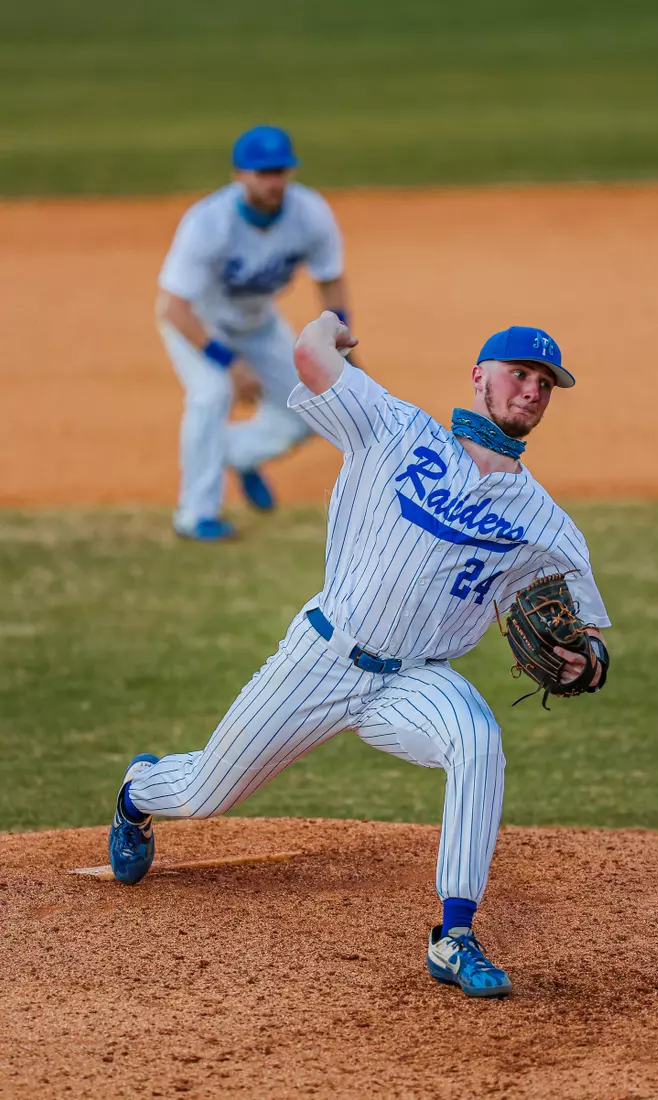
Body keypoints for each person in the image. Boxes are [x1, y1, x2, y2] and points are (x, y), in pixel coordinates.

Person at [110, 313, 611, 998]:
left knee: (477, 739)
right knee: (204, 794)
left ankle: (454, 936)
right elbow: (311, 356)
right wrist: (330, 327)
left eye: (544, 384)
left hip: (413, 682)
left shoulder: (543, 523)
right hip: (320, 658)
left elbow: (588, 634)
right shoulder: (396, 428)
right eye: (519, 375)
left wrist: (588, 663)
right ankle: (140, 790)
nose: (530, 391)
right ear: (479, 377)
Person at [157, 125, 352, 540]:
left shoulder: (310, 213)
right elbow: (175, 308)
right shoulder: (209, 223)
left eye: (280, 171)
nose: (273, 181)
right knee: (212, 393)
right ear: (238, 176)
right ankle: (194, 516)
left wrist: (338, 342)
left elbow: (330, 279)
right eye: (262, 173)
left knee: (313, 405)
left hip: (258, 324)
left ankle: (238, 455)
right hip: (198, 325)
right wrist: (230, 364)